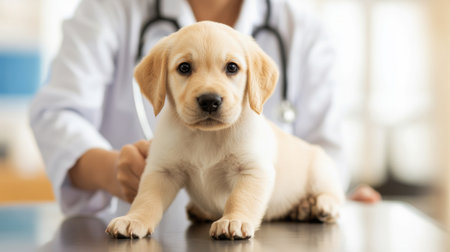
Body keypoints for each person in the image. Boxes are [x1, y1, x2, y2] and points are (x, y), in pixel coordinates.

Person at [30, 0, 380, 220]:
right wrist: (111, 169)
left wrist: (334, 199)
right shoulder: (110, 8)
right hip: (135, 229)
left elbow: (324, 147)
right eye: (185, 69)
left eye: (231, 69)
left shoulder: (304, 29)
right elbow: (57, 114)